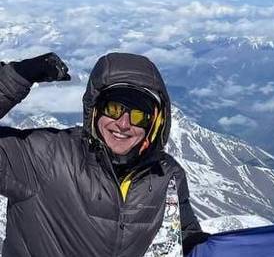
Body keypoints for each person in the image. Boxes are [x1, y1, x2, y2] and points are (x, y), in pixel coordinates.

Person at [0, 51, 209, 256]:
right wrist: (14, 79)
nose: (124, 124)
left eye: (138, 116)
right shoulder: (44, 157)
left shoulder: (166, 175)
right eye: (114, 109)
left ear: (154, 125)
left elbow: (186, 239)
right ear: (95, 110)